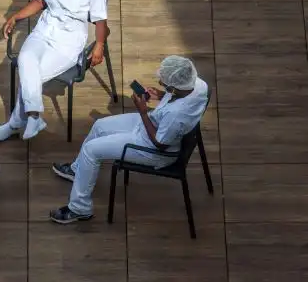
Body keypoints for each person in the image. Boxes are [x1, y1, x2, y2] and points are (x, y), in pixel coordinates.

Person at [49, 55, 209, 224]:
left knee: (91, 150)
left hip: (154, 149)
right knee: (100, 126)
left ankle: (79, 208)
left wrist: (143, 111)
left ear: (174, 88)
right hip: (156, 124)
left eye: (164, 84)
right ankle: (78, 170)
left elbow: (160, 144)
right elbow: (177, 99)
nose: (160, 83)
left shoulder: (177, 114)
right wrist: (161, 95)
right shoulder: (198, 85)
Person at [0, 0, 110, 141]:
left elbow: (101, 22)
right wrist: (16, 17)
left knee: (31, 76)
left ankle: (17, 122)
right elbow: (40, 1)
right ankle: (33, 118)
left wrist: (99, 45)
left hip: (68, 44)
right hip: (43, 32)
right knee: (26, 60)